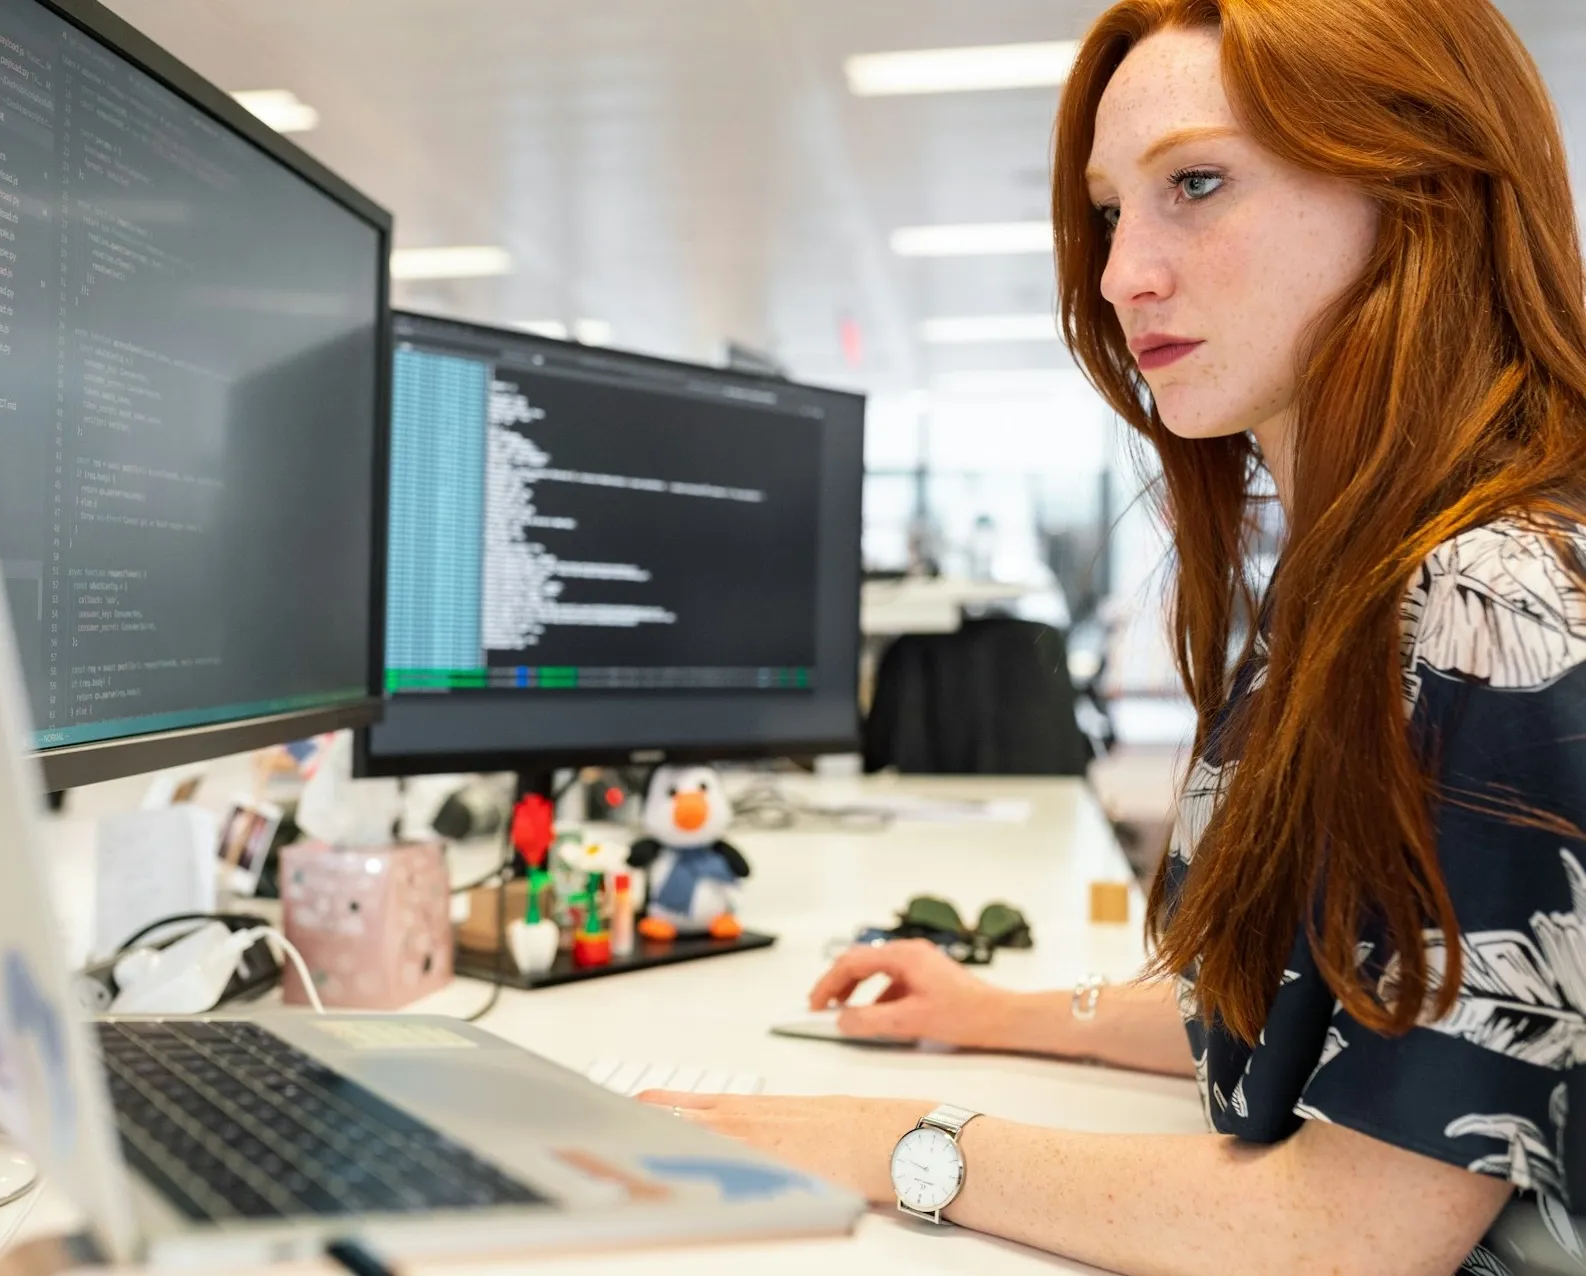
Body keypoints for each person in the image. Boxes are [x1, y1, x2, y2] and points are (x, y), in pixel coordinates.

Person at [639, 0, 1586, 1271]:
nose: (1116, 272)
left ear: (1418, 188)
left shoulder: (1494, 602)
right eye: (1106, 210)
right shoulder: (1355, 582)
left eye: (1194, 183)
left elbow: (1354, 1230)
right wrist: (1005, 1011)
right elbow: (1329, 1007)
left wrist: (887, 1144)